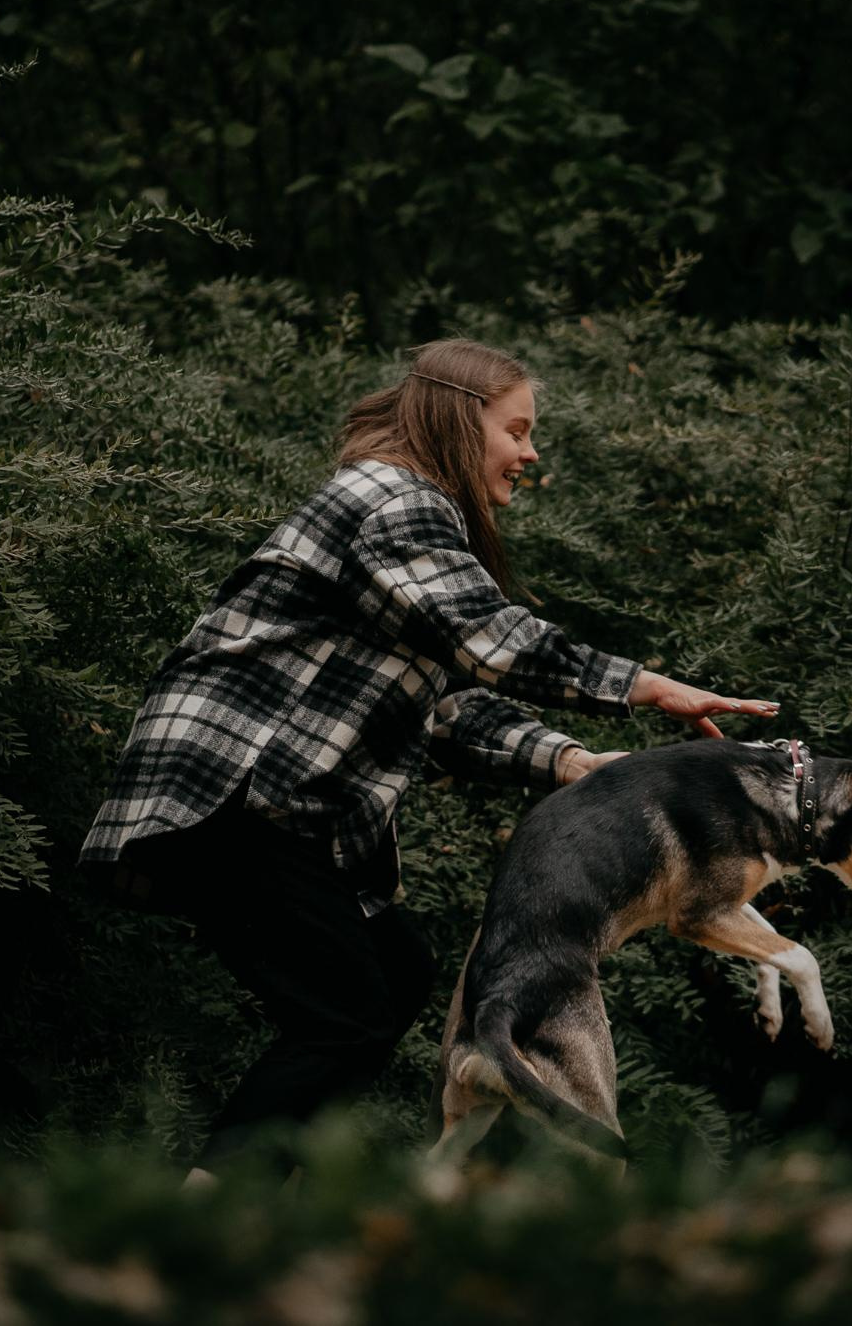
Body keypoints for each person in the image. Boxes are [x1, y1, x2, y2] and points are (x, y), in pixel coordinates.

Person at [76, 337, 777, 1185]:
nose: (531, 451)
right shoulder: (392, 498)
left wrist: (570, 762)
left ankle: (251, 1187)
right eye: (516, 429)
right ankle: (209, 1212)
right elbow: (493, 641)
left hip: (277, 808)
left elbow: (444, 706)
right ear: (458, 416)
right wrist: (646, 686)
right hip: (234, 786)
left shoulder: (415, 524)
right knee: (346, 1009)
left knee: (394, 970)